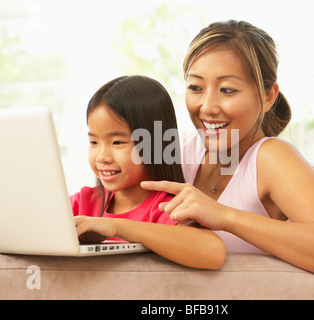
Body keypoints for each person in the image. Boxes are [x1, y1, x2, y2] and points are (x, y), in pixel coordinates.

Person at [142, 20, 314, 284]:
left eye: (227, 90)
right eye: (196, 88)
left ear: (268, 96)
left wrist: (224, 216)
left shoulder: (270, 158)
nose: (207, 106)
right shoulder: (181, 148)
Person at [71, 75, 226, 270]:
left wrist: (115, 227)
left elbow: (213, 251)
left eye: (117, 142)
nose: (102, 156)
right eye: (94, 142)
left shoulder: (166, 208)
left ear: (155, 144)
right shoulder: (82, 203)